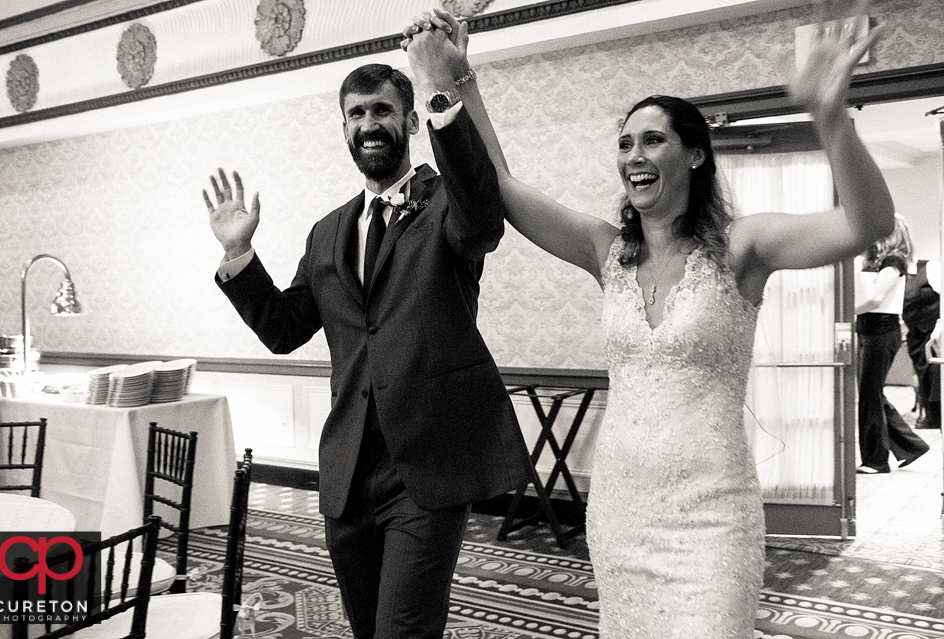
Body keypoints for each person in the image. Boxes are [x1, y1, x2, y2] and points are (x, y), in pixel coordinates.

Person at [402, 2, 893, 636]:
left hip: (711, 520)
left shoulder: (742, 248)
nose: (634, 152)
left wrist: (830, 119)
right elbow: (498, 184)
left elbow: (867, 224)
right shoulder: (607, 253)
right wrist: (460, 80)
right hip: (621, 512)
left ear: (693, 156)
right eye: (626, 142)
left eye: (653, 139)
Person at [202, 63, 530, 639]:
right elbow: (284, 330)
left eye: (381, 110)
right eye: (356, 114)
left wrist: (444, 97)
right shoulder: (326, 233)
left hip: (426, 469)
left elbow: (482, 223)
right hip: (349, 474)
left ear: (409, 121)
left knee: (403, 630)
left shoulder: (447, 203)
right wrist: (239, 254)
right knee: (368, 629)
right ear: (344, 129)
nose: (369, 124)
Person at [855, 215, 930, 473]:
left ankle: (876, 460)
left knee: (869, 396)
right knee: (872, 395)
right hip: (869, 331)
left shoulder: (894, 260)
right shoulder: (879, 261)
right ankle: (912, 447)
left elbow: (876, 299)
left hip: (881, 333)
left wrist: (846, 310)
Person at [902, 258, 941, 429]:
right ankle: (931, 415)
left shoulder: (932, 269)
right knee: (925, 375)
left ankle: (934, 416)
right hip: (918, 332)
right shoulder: (902, 273)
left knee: (933, 373)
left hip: (931, 331)